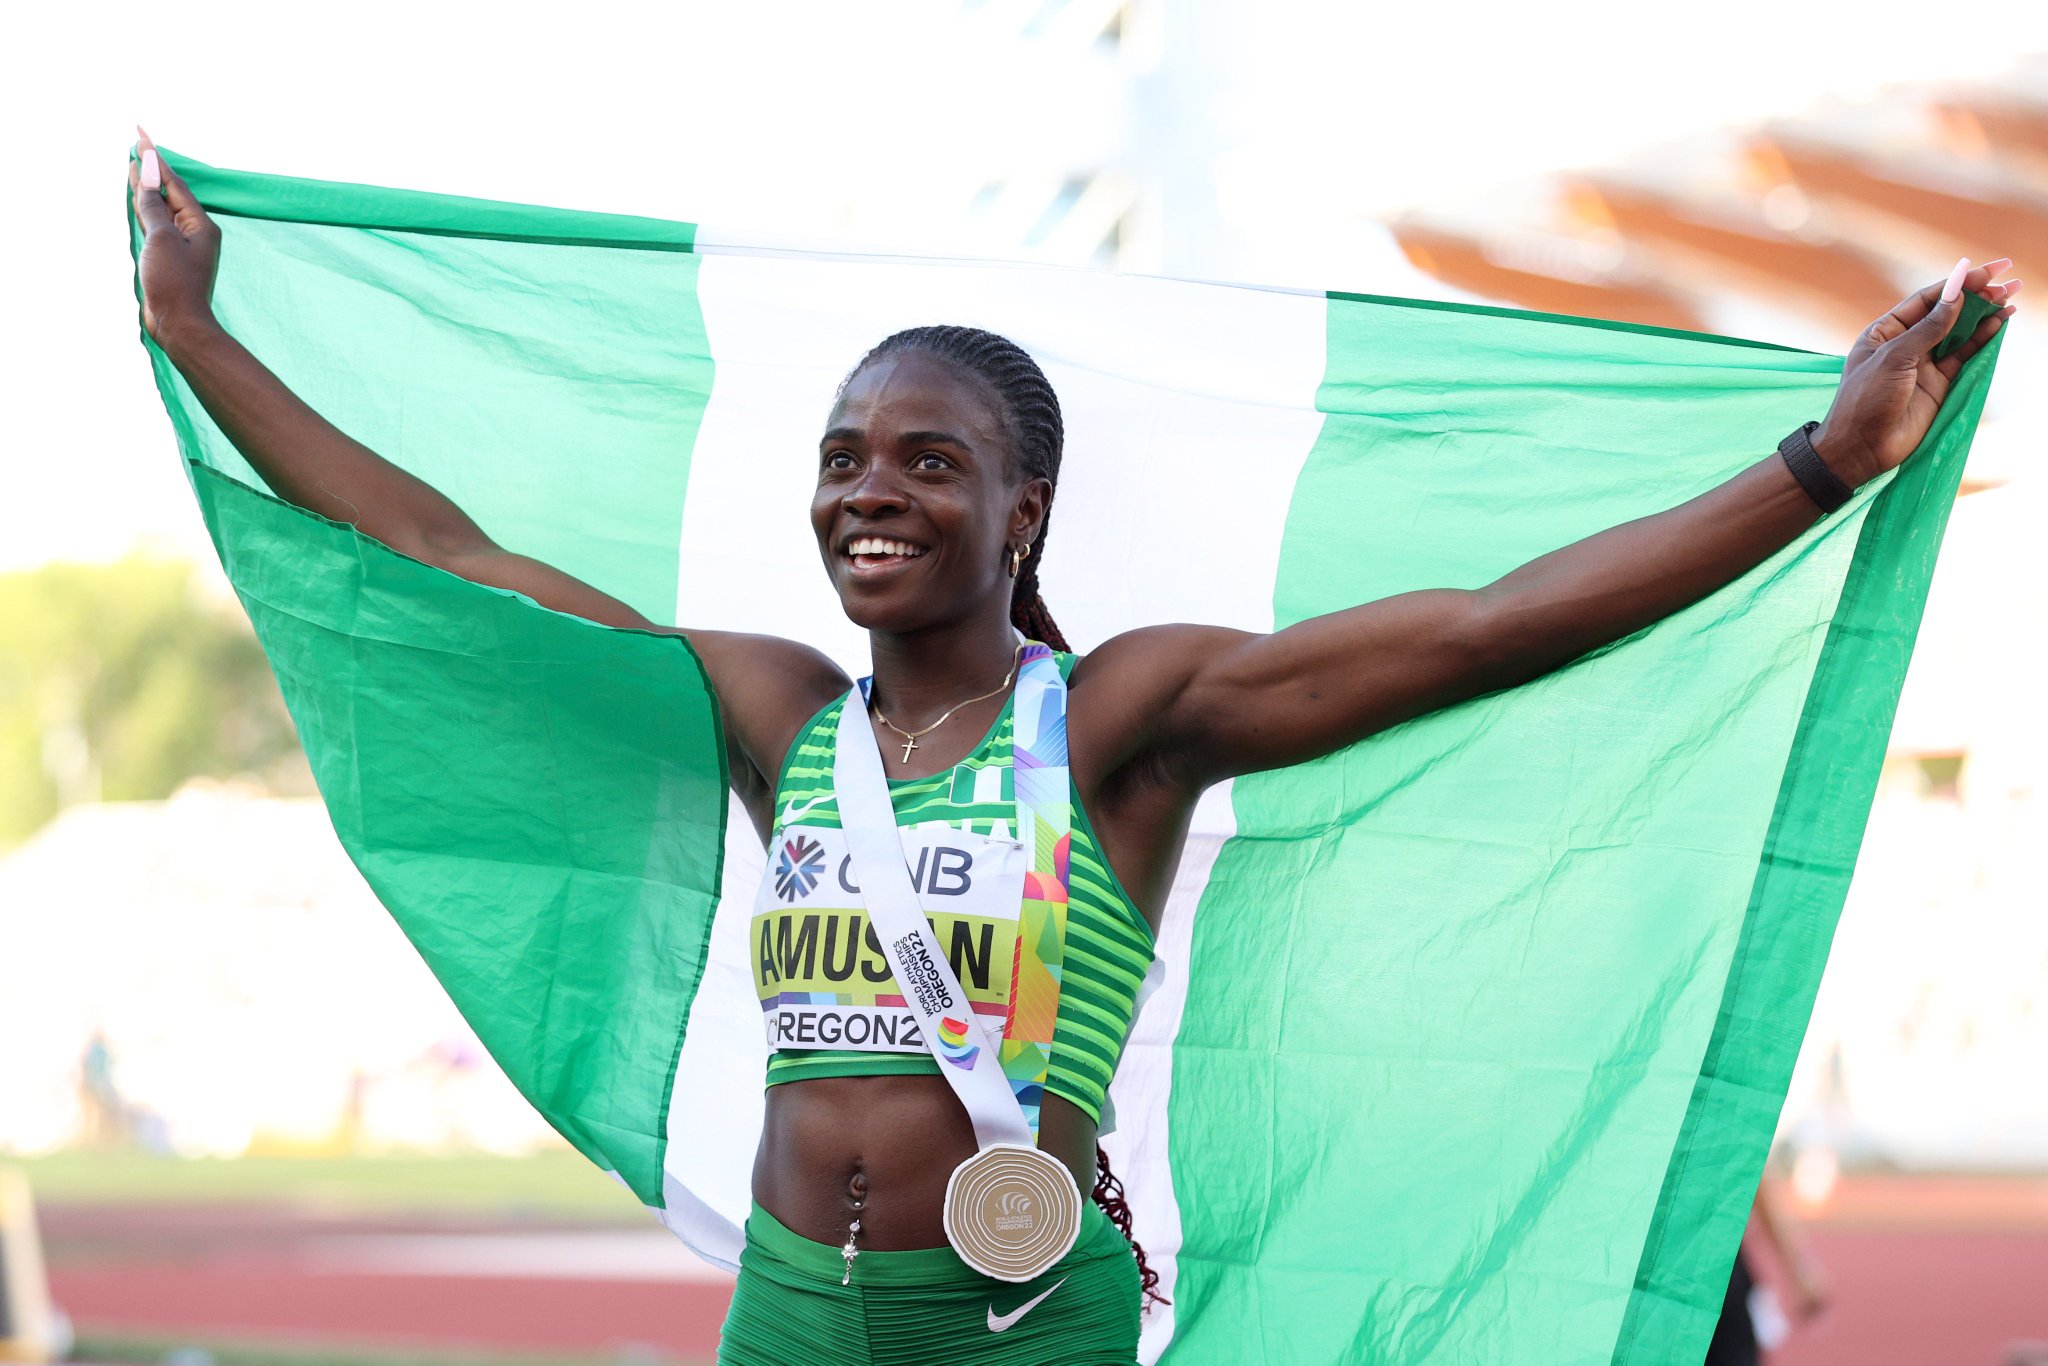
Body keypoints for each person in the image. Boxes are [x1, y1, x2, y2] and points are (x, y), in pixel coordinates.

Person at [129, 133, 2014, 1365]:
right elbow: (453, 556)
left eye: (928, 462)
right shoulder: (776, 709)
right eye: (846, 459)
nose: (872, 492)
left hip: (1019, 1305)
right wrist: (204, 341)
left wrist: (1816, 468)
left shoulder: (1126, 719)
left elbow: (1478, 631)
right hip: (792, 1308)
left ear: (1023, 513)